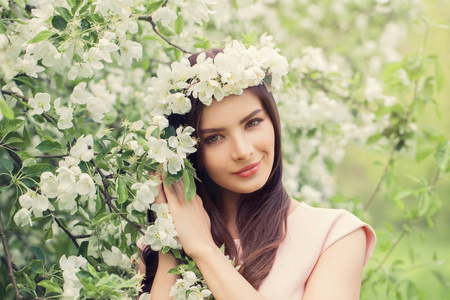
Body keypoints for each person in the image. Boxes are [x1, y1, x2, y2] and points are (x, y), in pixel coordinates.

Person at [137, 46, 376, 300]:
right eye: (215, 138)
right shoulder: (160, 244)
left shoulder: (335, 236)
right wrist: (172, 241)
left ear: (272, 119)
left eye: (252, 123)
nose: (242, 151)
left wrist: (204, 250)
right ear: (189, 153)